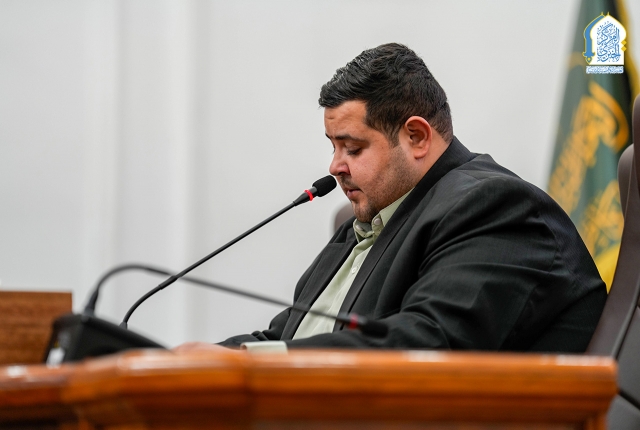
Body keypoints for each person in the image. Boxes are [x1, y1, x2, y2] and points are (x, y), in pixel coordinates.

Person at [180, 43, 606, 353]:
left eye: (353, 147)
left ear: (416, 137)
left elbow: (426, 342)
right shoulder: (366, 220)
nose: (335, 166)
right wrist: (191, 361)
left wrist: (252, 364)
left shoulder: (494, 206)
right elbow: (286, 337)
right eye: (333, 146)